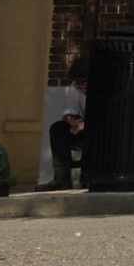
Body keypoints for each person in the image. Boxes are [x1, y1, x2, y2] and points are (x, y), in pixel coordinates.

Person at [43, 59, 88, 192]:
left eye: (84, 85)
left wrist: (85, 125)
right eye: (80, 86)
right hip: (81, 126)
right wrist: (72, 121)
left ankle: (87, 177)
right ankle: (62, 179)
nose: (83, 89)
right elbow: (70, 109)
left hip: (101, 130)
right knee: (57, 129)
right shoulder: (75, 88)